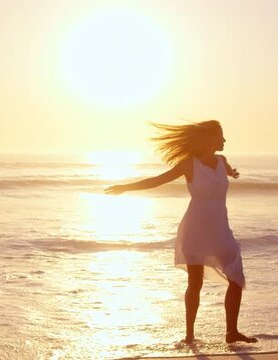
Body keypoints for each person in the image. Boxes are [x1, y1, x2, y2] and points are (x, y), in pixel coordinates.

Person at [104, 120, 258, 344]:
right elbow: (158, 180)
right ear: (209, 139)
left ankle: (231, 332)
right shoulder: (189, 165)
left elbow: (227, 170)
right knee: (195, 283)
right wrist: (125, 187)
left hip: (220, 229)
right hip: (195, 228)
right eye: (220, 136)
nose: (224, 141)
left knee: (236, 277)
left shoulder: (222, 161)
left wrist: (232, 173)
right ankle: (189, 335)